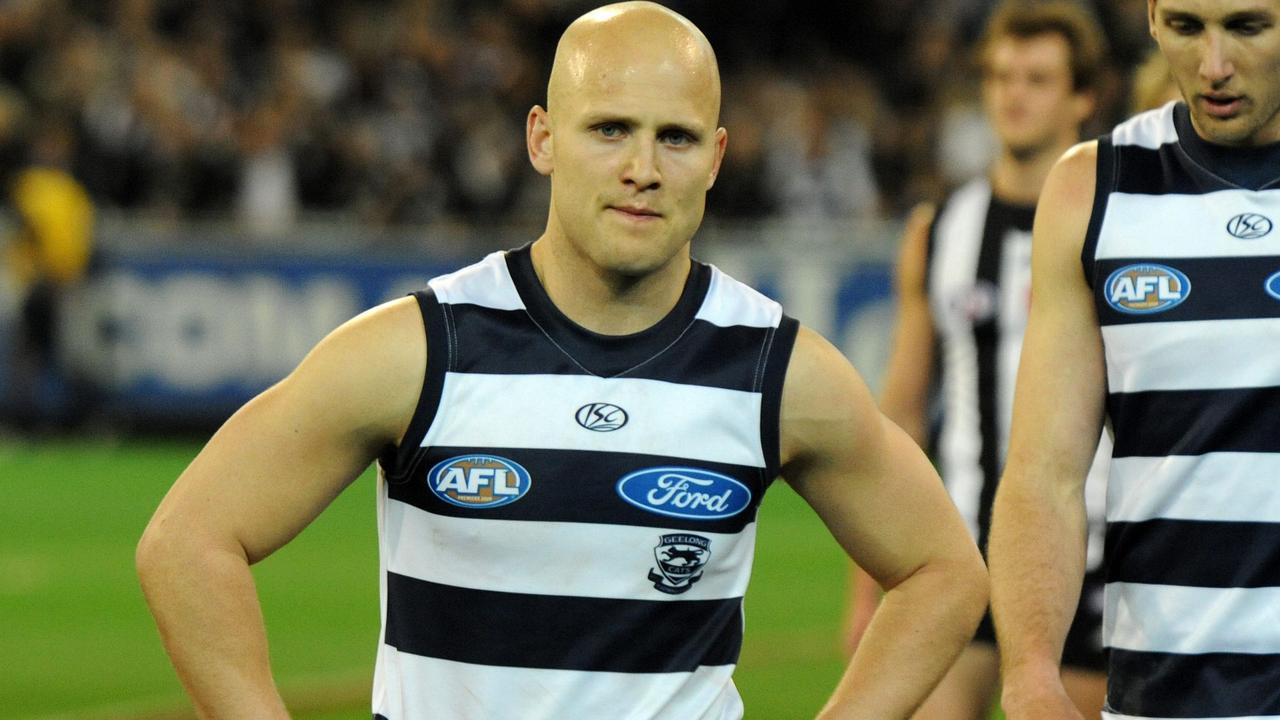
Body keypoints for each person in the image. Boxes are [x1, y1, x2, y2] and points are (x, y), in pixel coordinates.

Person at [136, 4, 988, 719]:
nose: (642, 169)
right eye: (610, 129)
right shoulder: (419, 348)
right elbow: (188, 542)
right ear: (543, 138)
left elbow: (943, 572)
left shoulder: (777, 368)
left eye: (677, 138)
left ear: (718, 158)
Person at [988, 0, 1280, 718]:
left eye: (1247, 27)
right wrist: (1029, 675)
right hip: (1159, 698)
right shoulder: (1093, 189)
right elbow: (1044, 474)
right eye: (1185, 27)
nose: (1213, 66)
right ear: (1151, 18)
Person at [844, 3, 1110, 717]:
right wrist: (870, 586)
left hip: (1087, 562)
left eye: (1037, 78)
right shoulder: (941, 231)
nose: (1012, 94)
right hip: (962, 555)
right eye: (999, 76)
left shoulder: (1119, 226)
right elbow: (898, 416)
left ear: (1082, 96)